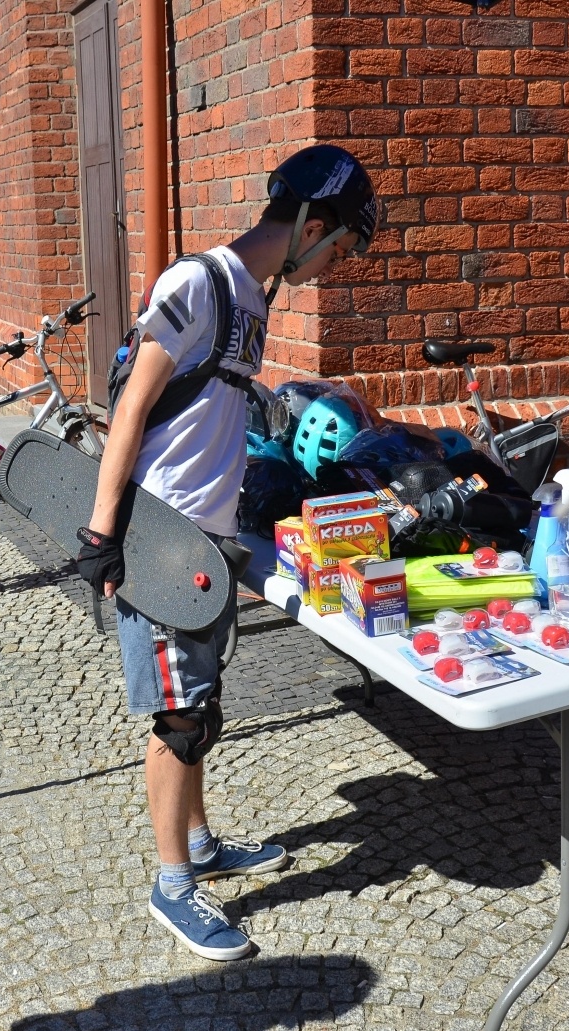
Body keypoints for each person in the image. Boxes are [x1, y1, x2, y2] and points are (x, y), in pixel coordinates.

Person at [76, 145, 378, 961]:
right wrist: (103, 537)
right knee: (178, 718)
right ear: (314, 226)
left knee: (200, 702)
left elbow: (207, 419)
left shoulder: (251, 296)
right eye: (341, 248)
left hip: (206, 539)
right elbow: (132, 408)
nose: (335, 265)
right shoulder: (198, 284)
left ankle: (200, 843)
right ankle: (174, 888)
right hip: (161, 541)